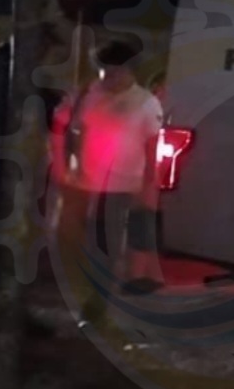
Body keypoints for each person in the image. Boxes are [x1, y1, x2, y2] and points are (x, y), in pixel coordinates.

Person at [61, 39, 165, 295]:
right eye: (104, 71)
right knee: (85, 234)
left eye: (115, 72)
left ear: (129, 71)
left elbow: (153, 144)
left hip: (122, 182)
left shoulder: (145, 103)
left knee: (108, 238)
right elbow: (77, 131)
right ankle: (91, 281)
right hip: (86, 180)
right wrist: (72, 165)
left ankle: (102, 290)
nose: (108, 78)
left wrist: (150, 183)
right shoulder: (90, 94)